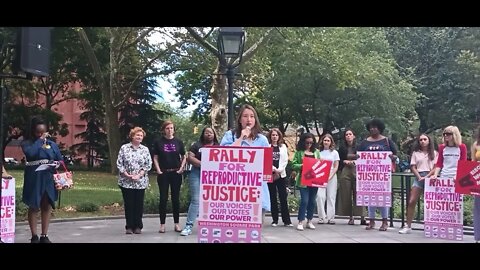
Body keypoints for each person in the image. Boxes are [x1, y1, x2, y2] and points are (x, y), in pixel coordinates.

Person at [220, 104, 271, 222]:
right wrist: (242, 138)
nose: (249, 119)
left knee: (253, 233)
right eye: (245, 116)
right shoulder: (230, 136)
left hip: (256, 191)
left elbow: (266, 163)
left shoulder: (262, 139)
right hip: (234, 191)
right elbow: (223, 156)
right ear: (240, 119)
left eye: (252, 116)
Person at [21, 117, 63, 243]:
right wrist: (39, 141)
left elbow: (60, 159)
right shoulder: (27, 143)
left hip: (48, 177)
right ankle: (34, 235)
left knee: (47, 205)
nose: (42, 135)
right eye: (38, 132)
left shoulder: (51, 144)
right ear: (33, 131)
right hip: (34, 177)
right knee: (34, 205)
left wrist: (57, 164)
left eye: (43, 132)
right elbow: (31, 154)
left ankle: (44, 235)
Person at [358, 119, 398, 232]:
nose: (372, 129)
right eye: (370, 127)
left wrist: (393, 158)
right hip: (369, 176)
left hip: (383, 175)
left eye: (374, 127)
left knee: (383, 197)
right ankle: (371, 220)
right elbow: (357, 155)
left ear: (380, 128)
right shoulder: (364, 142)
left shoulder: (386, 141)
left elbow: (395, 154)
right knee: (370, 198)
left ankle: (385, 221)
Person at [180, 126, 219, 236]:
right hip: (197, 173)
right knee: (196, 200)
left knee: (212, 200)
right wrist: (203, 164)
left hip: (213, 175)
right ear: (203, 134)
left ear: (214, 135)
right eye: (206, 132)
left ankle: (211, 226)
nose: (209, 134)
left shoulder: (218, 146)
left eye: (211, 133)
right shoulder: (197, 145)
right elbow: (190, 157)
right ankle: (188, 226)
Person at [398, 134, 438, 234]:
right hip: (418, 176)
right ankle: (408, 225)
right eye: (421, 140)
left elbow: (436, 167)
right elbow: (413, 166)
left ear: (429, 140)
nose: (423, 141)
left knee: (431, 203)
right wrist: (419, 176)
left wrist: (427, 176)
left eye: (425, 139)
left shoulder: (434, 153)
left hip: (431, 176)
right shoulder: (416, 153)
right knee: (412, 201)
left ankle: (432, 225)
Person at [152, 120, 186, 233]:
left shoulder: (179, 142)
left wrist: (181, 168)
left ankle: (177, 224)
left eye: (171, 128)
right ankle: (162, 224)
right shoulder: (158, 142)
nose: (169, 130)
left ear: (174, 129)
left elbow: (184, 155)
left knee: (175, 199)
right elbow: (155, 157)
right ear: (163, 130)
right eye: (167, 128)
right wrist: (158, 170)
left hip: (175, 173)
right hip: (164, 173)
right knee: (163, 198)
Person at [116, 127, 152, 234]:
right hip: (126, 181)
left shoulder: (145, 149)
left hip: (140, 182)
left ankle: (138, 226)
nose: (139, 137)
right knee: (129, 204)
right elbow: (119, 163)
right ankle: (129, 226)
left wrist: (139, 175)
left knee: (138, 204)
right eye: (137, 135)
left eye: (141, 136)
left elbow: (148, 164)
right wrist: (127, 174)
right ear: (132, 136)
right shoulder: (124, 148)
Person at [336, 129, 366, 225]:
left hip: (357, 170)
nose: (348, 136)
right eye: (346, 134)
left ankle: (362, 217)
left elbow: (363, 158)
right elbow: (339, 160)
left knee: (359, 193)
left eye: (350, 134)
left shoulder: (360, 147)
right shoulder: (342, 148)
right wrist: (344, 161)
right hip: (345, 171)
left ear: (354, 136)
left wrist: (354, 162)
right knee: (346, 194)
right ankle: (350, 217)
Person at [292, 132, 321, 231]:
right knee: (304, 201)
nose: (309, 144)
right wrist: (302, 166)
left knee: (312, 201)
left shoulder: (316, 152)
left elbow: (320, 164)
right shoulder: (299, 152)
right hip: (303, 180)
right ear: (303, 142)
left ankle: (309, 220)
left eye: (311, 143)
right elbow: (293, 164)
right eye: (307, 142)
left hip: (314, 180)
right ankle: (300, 221)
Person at [267, 128, 293, 227]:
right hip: (271, 175)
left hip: (281, 175)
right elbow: (266, 159)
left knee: (283, 197)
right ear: (270, 136)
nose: (274, 137)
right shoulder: (267, 146)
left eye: (276, 135)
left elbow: (285, 160)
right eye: (273, 135)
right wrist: (273, 169)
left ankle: (287, 221)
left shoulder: (283, 147)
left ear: (279, 136)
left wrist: (279, 169)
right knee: (273, 197)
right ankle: (275, 220)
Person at [316, 134, 340, 224]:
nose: (326, 142)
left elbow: (336, 166)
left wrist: (330, 176)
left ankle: (331, 217)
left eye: (328, 141)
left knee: (331, 196)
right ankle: (321, 217)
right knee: (320, 196)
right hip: (320, 174)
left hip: (331, 175)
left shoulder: (334, 153)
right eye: (325, 140)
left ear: (331, 142)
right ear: (322, 141)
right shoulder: (318, 152)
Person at [471, 126, 480, 243]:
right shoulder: (476, 144)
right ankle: (478, 236)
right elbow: (472, 163)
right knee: (478, 207)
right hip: (479, 177)